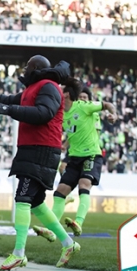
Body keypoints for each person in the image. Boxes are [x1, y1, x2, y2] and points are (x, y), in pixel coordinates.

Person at [0, 55, 80, 270]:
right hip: (32, 148)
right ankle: (68, 244)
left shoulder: (48, 86)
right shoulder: (33, 88)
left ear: (35, 68)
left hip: (42, 149)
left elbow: (44, 113)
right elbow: (8, 100)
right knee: (35, 202)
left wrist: (10, 111)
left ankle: (19, 253)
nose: (24, 70)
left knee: (23, 198)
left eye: (27, 66)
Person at [33, 78, 117, 241]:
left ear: (67, 94)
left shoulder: (85, 108)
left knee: (84, 184)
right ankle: (52, 229)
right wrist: (63, 144)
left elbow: (106, 105)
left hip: (91, 154)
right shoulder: (61, 114)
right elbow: (74, 132)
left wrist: (113, 114)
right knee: (60, 192)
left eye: (61, 90)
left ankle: (78, 222)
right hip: (74, 156)